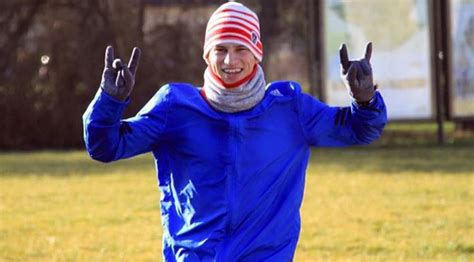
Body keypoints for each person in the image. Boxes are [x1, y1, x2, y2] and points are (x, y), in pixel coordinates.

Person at [83, 2, 387, 261]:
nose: (230, 61)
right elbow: (106, 147)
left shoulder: (289, 108)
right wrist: (110, 101)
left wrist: (365, 99)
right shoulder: (174, 107)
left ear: (257, 52)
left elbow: (359, 130)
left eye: (241, 48)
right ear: (207, 54)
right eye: (220, 49)